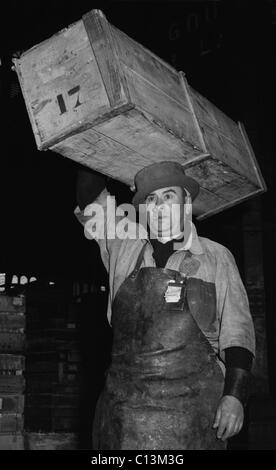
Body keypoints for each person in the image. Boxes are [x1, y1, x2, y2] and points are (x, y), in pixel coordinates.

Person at [74, 160, 255, 450]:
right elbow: (90, 199)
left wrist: (234, 396)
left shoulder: (215, 257)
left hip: (194, 416)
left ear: (186, 204)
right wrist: (95, 142)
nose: (159, 206)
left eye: (168, 196)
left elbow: (238, 334)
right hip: (123, 415)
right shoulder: (125, 244)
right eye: (151, 199)